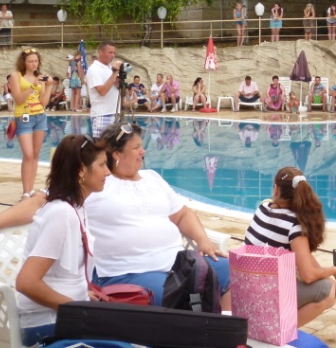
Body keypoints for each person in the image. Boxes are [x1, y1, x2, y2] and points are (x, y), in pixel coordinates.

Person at [88, 123, 231, 309]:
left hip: (178, 263)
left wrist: (203, 240)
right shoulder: (99, 184)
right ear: (116, 154)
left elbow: (182, 214)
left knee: (231, 272)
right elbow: (64, 204)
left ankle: (225, 324)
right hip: (130, 272)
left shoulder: (152, 178)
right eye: (136, 147)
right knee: (178, 294)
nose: (143, 151)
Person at [15, 134, 110, 345]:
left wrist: (81, 293)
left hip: (63, 316)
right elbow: (26, 282)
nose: (108, 172)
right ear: (81, 170)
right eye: (102, 165)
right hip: (48, 323)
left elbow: (60, 274)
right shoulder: (61, 214)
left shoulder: (75, 207)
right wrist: (75, 308)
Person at [244, 167, 336, 327]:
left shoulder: (263, 209)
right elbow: (308, 275)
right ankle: (281, 330)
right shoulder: (294, 225)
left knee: (321, 281)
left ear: (276, 189)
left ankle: (275, 325)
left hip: (244, 289)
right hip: (265, 295)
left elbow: (303, 254)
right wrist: (335, 271)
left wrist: (326, 276)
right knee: (328, 292)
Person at [9, 48, 53, 197]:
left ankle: (31, 189)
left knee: (35, 154)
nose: (34, 64)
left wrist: (49, 86)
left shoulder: (39, 77)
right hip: (24, 116)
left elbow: (43, 102)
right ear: (24, 62)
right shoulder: (16, 76)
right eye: (30, 61)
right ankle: (26, 191)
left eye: (36, 61)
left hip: (39, 116)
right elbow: (19, 99)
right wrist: (33, 85)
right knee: (28, 154)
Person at [87, 41, 123, 131]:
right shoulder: (94, 69)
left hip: (115, 112)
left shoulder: (110, 68)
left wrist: (120, 79)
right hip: (102, 114)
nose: (113, 55)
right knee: (102, 140)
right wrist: (114, 73)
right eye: (110, 52)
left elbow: (120, 90)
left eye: (114, 53)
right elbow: (102, 91)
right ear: (100, 52)